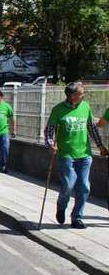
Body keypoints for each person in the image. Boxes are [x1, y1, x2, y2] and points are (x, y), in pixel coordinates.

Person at [45, 82, 106, 229]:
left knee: (84, 186)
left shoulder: (85, 106)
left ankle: (77, 217)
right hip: (66, 154)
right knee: (69, 185)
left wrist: (100, 146)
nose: (83, 95)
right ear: (72, 96)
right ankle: (61, 207)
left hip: (85, 154)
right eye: (81, 93)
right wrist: (51, 143)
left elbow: (91, 128)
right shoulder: (58, 110)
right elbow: (49, 130)